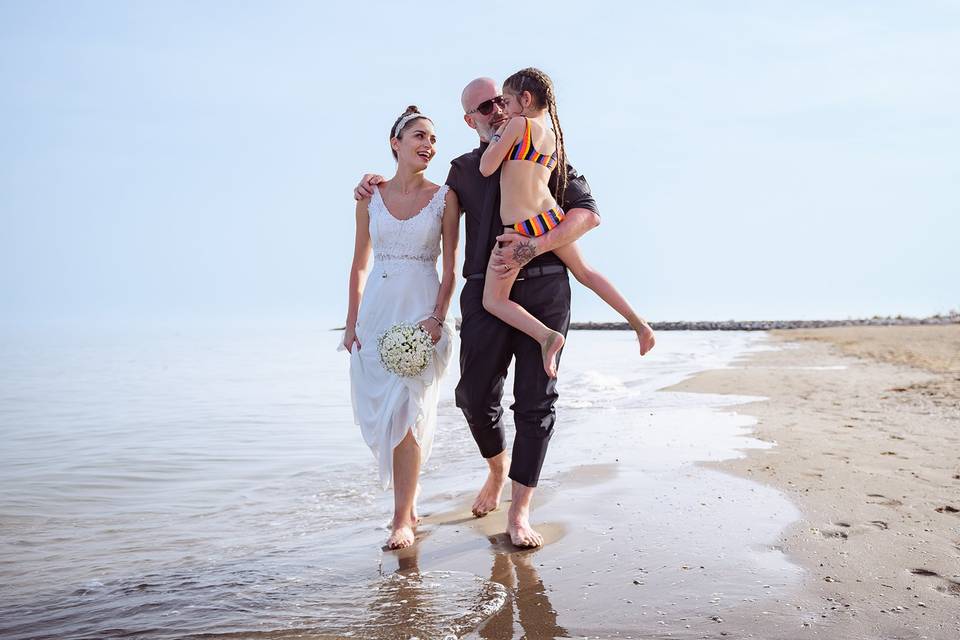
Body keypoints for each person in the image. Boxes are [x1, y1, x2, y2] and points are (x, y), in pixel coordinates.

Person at [354, 78, 599, 548]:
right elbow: (419, 203)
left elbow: (587, 213)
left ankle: (520, 511)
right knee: (472, 396)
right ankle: (496, 468)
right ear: (471, 120)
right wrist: (374, 184)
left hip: (545, 288)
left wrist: (534, 246)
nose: (496, 111)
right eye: (485, 107)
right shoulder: (462, 170)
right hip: (484, 295)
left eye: (500, 102)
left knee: (536, 400)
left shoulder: (545, 150)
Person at [479, 68, 655, 377]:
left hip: (520, 226)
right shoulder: (553, 140)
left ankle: (547, 337)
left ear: (525, 99)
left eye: (505, 101)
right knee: (586, 272)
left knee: (493, 300)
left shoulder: (517, 125)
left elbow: (485, 166)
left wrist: (497, 134)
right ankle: (640, 325)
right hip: (550, 217)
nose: (501, 110)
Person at [342, 106, 460, 550]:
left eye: (433, 139)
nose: (428, 145)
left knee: (408, 409)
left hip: (423, 314)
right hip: (377, 314)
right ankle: (409, 506)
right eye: (419, 136)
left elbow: (451, 269)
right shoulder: (369, 197)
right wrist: (351, 324)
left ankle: (400, 521)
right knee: (387, 415)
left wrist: (437, 317)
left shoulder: (445, 198)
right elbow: (358, 265)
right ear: (396, 142)